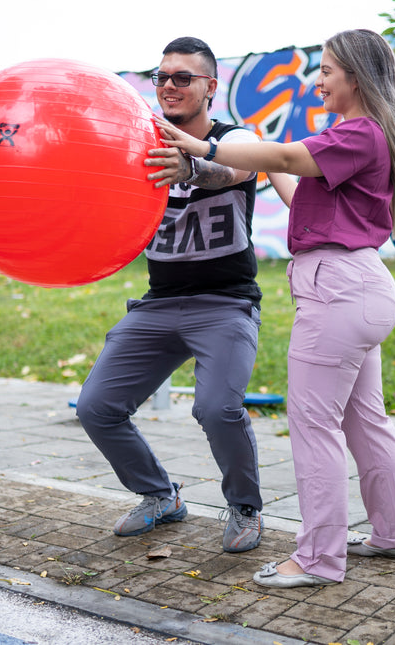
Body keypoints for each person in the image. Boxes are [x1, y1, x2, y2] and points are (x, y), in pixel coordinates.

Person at [154, 29, 395, 587]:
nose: (317, 79)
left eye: (327, 70)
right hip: (359, 286)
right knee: (364, 421)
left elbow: (282, 153)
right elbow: (295, 183)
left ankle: (319, 560)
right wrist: (258, 158)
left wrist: (205, 147)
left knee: (312, 425)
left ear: (357, 76)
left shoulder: (358, 133)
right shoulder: (363, 137)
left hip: (338, 291)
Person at [75, 37, 265, 553]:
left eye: (183, 77)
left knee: (216, 408)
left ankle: (245, 506)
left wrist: (192, 169)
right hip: (159, 305)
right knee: (96, 406)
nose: (169, 86)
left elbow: (243, 167)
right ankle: (160, 495)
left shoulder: (233, 138)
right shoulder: (137, 145)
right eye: (161, 77)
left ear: (210, 86)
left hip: (225, 303)